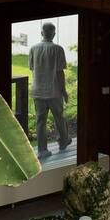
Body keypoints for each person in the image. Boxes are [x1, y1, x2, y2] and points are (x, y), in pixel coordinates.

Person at [28, 22, 71, 157]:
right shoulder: (58, 49)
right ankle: (63, 141)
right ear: (54, 33)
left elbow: (32, 68)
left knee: (40, 122)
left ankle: (42, 150)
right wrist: (64, 91)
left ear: (42, 33)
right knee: (59, 117)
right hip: (54, 92)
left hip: (38, 92)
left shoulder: (33, 49)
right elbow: (60, 73)